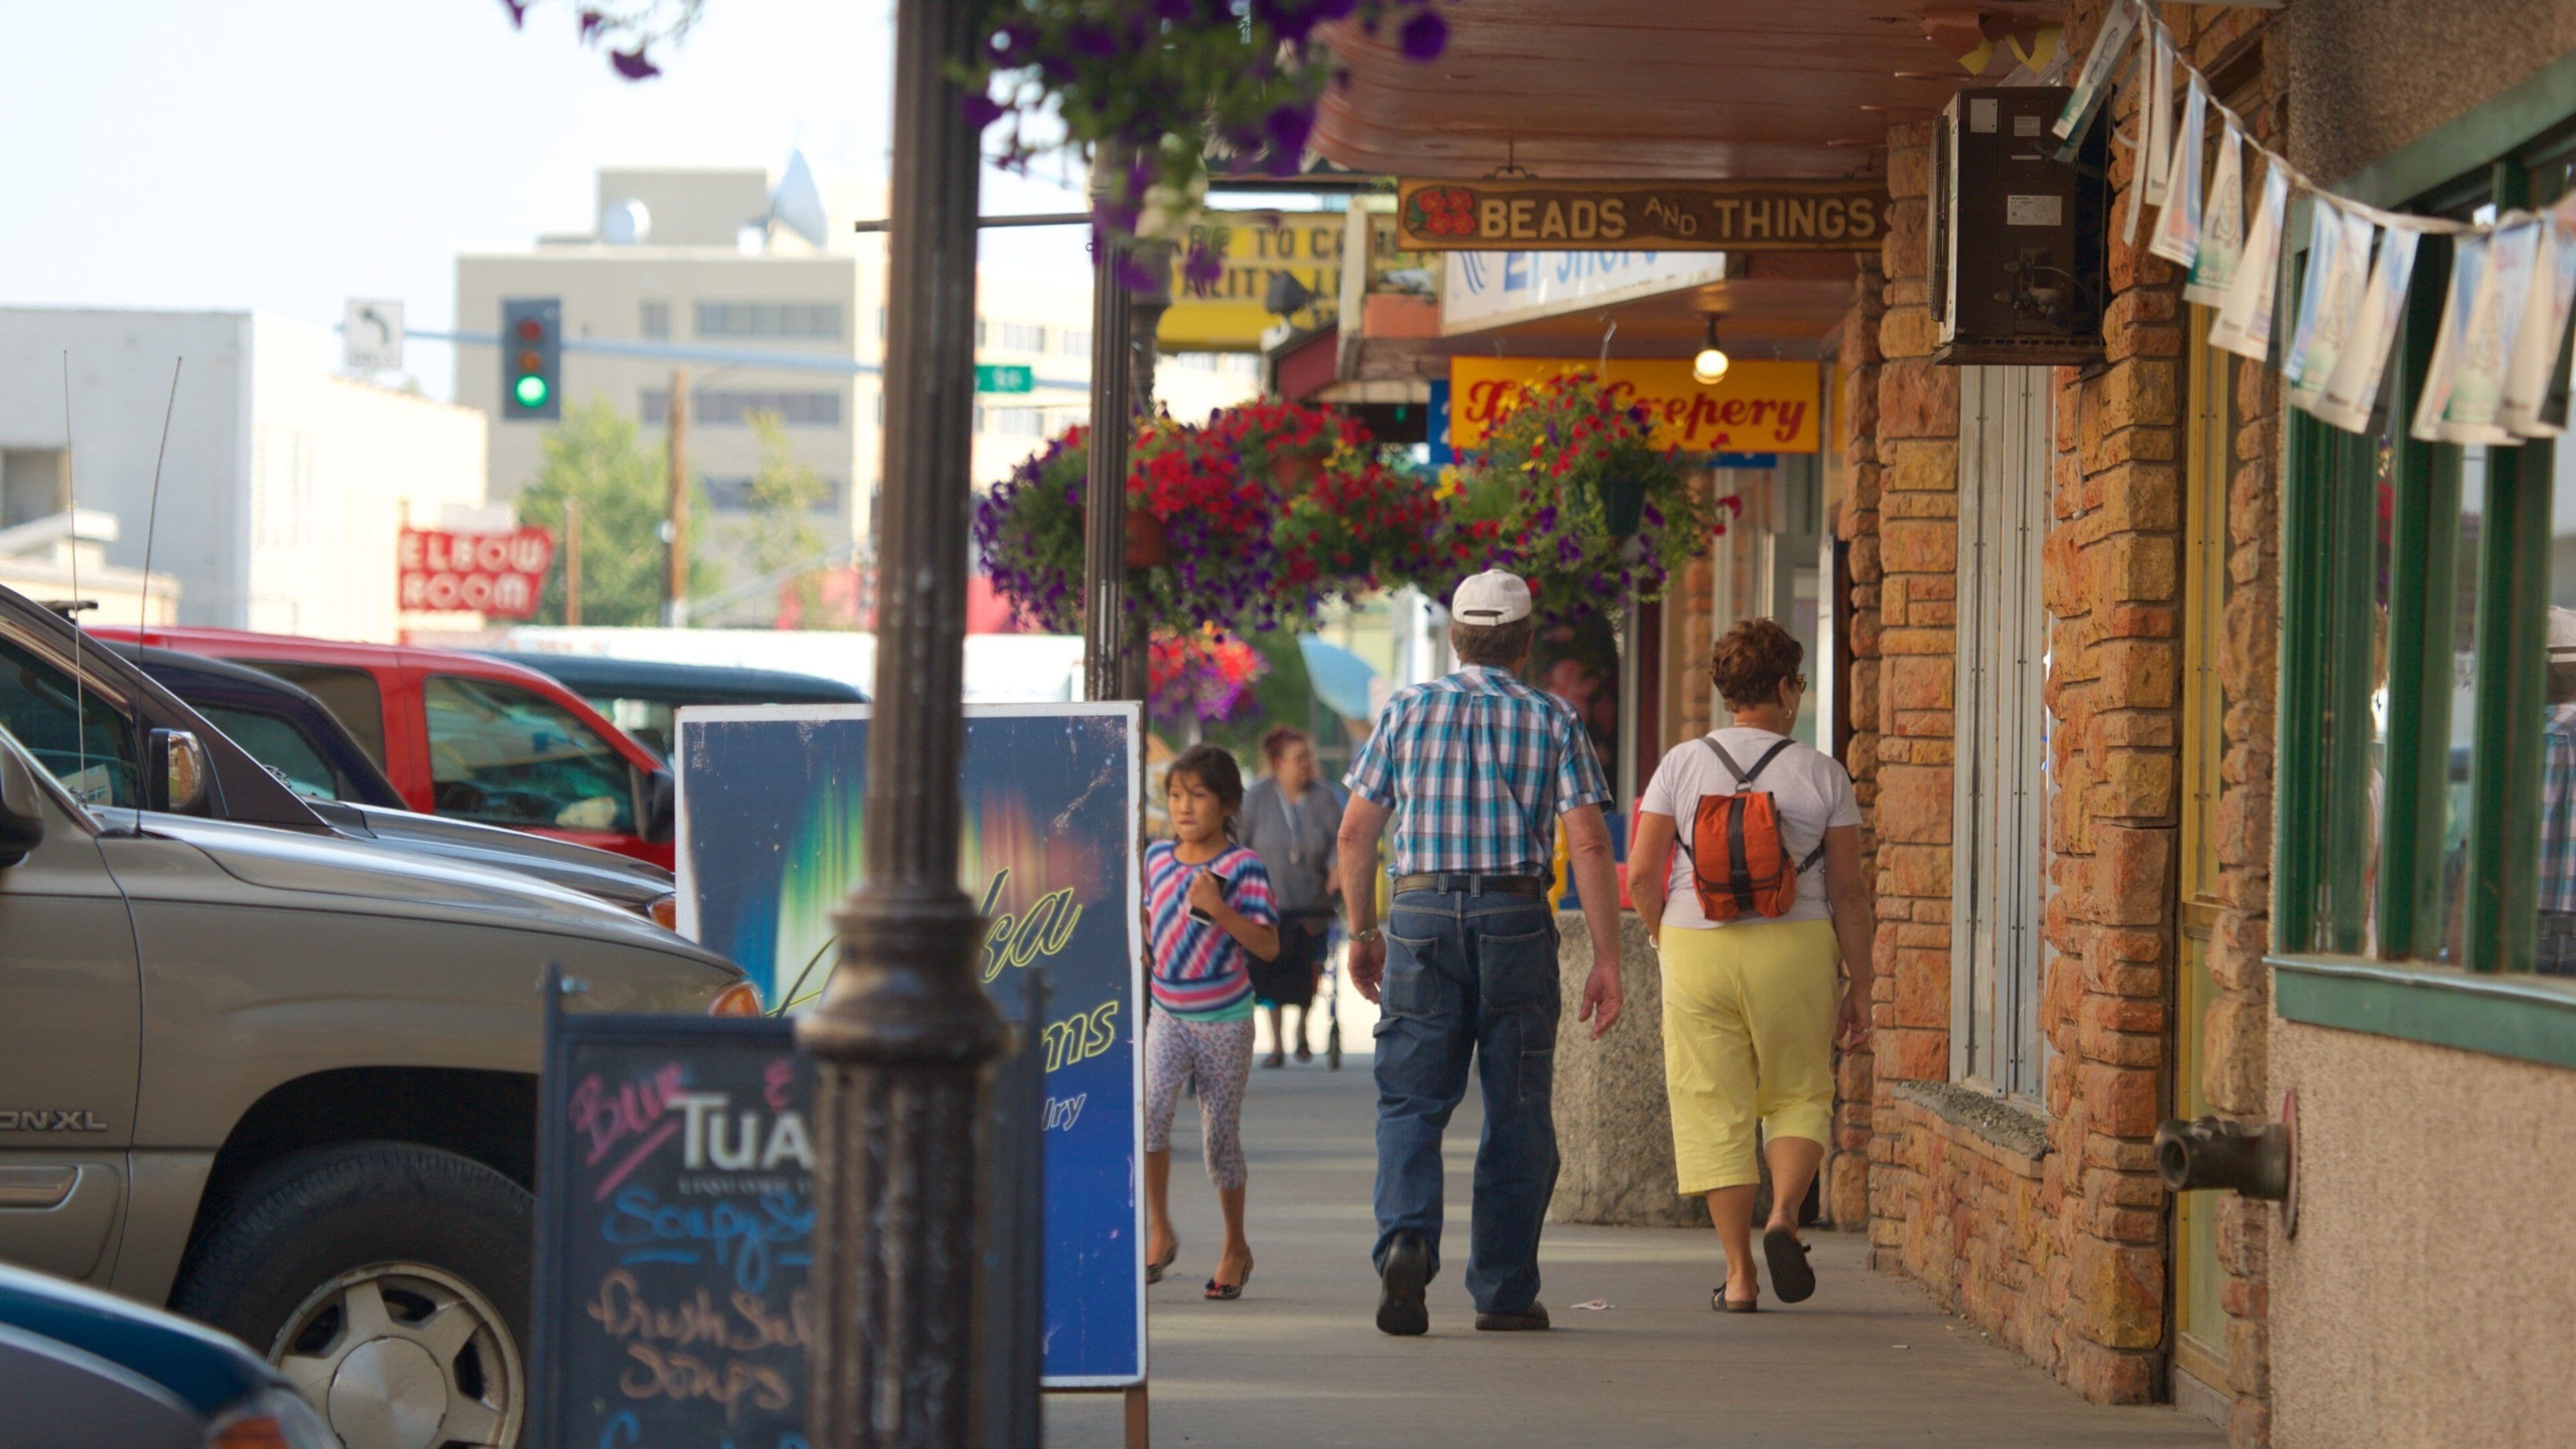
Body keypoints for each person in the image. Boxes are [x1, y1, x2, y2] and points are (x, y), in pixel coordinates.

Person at [1337, 569, 1625, 1337]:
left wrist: (1363, 932)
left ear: (1456, 638)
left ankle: (1405, 1238)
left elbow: (1354, 834)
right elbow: (1590, 841)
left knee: (1411, 1099)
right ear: (1524, 645)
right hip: (1516, 918)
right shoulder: (1553, 718)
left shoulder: (1405, 711)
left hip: (1422, 915)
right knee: (1519, 1107)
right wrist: (1607, 956)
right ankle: (1501, 1289)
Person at [1625, 617, 1874, 1313]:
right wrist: (1862, 983)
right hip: (1795, 946)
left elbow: (1643, 875)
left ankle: (1738, 1277)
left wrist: (1664, 939)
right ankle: (1785, 1217)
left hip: (1696, 947)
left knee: (1712, 1104)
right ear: (1786, 690)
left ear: (1728, 691)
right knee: (1798, 1090)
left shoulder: (1680, 764)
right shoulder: (1823, 773)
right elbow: (1850, 892)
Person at [1142, 744, 1281, 1301]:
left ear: (1226, 804)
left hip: (1225, 1019)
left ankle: (1235, 1246)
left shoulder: (1242, 867)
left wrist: (1220, 910)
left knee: (1218, 1137)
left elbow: (1268, 947)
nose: (1184, 806)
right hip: (1167, 1013)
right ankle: (1160, 1230)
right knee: (1149, 1113)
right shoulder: (1155, 859)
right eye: (1176, 795)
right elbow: (1155, 924)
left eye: (1198, 795)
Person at [1241, 725, 1347, 1067]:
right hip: (1267, 904)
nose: (1307, 764)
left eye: (1308, 757)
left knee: (1310, 968)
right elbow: (1239, 846)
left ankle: (1303, 1032)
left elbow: (1339, 842)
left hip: (1311, 905)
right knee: (1269, 973)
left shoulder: (1325, 797)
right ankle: (1276, 1044)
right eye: (1299, 758)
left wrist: (1336, 869)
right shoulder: (1255, 798)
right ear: (1277, 763)